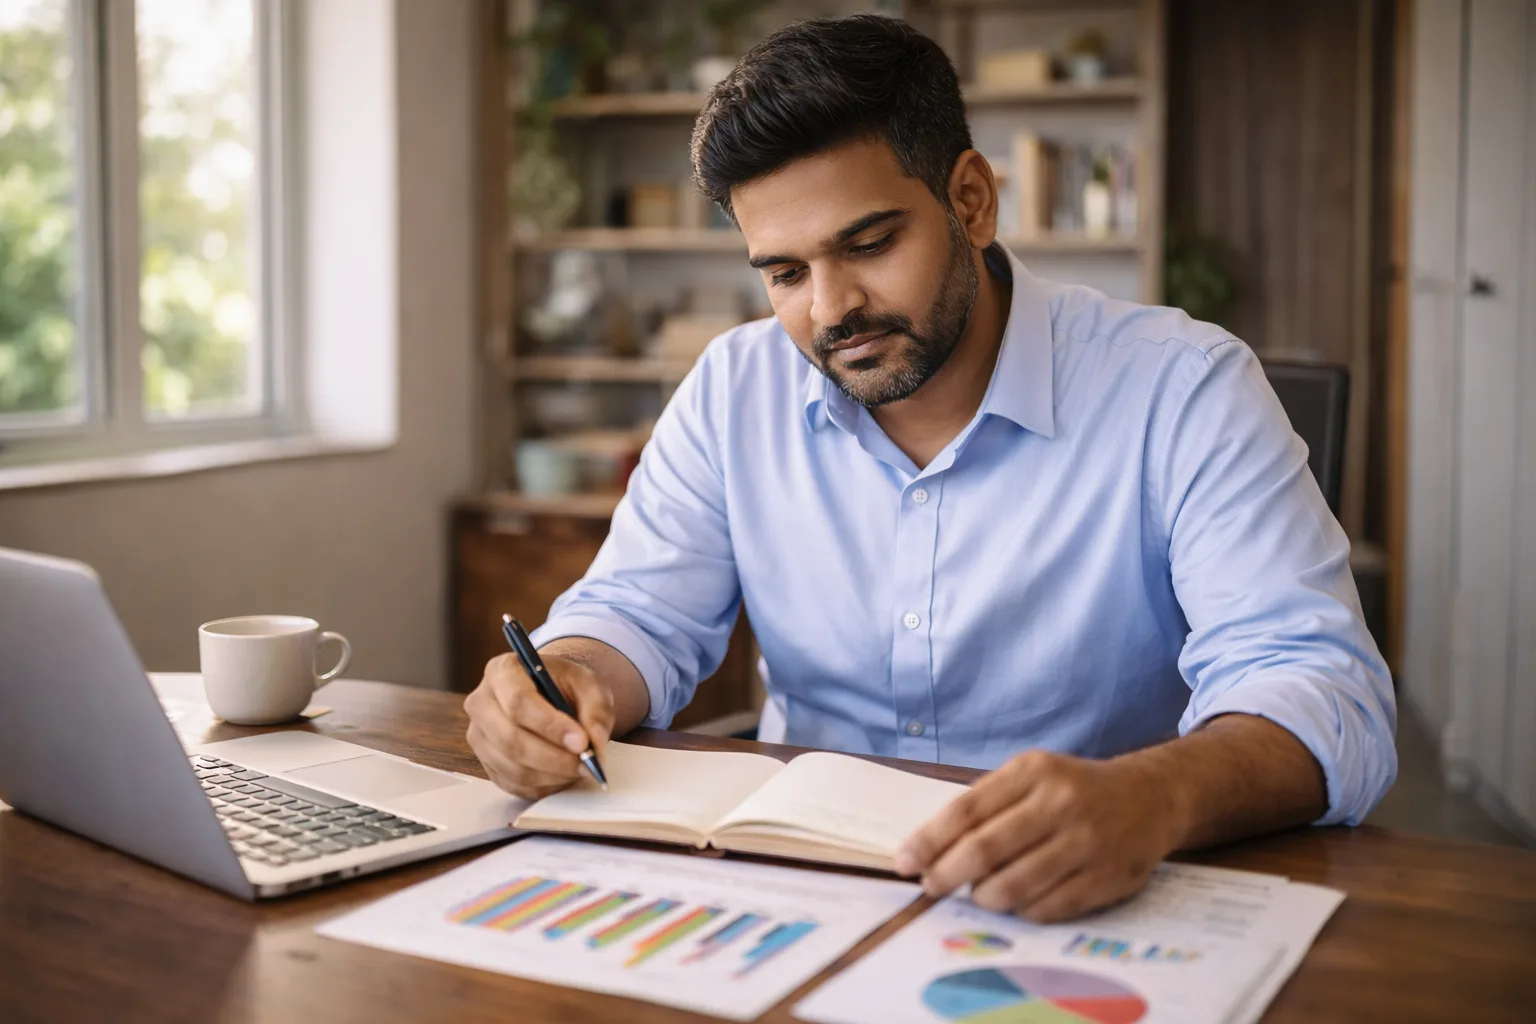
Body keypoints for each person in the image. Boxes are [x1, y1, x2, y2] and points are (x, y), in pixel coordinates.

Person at [465, 14, 1396, 923]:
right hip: (800, 892)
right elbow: (637, 614)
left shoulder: (1182, 388)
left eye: (869, 245)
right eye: (784, 274)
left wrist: (1152, 796)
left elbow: (1321, 690)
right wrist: (568, 676)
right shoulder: (733, 387)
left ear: (972, 200)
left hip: (1085, 902)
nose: (832, 311)